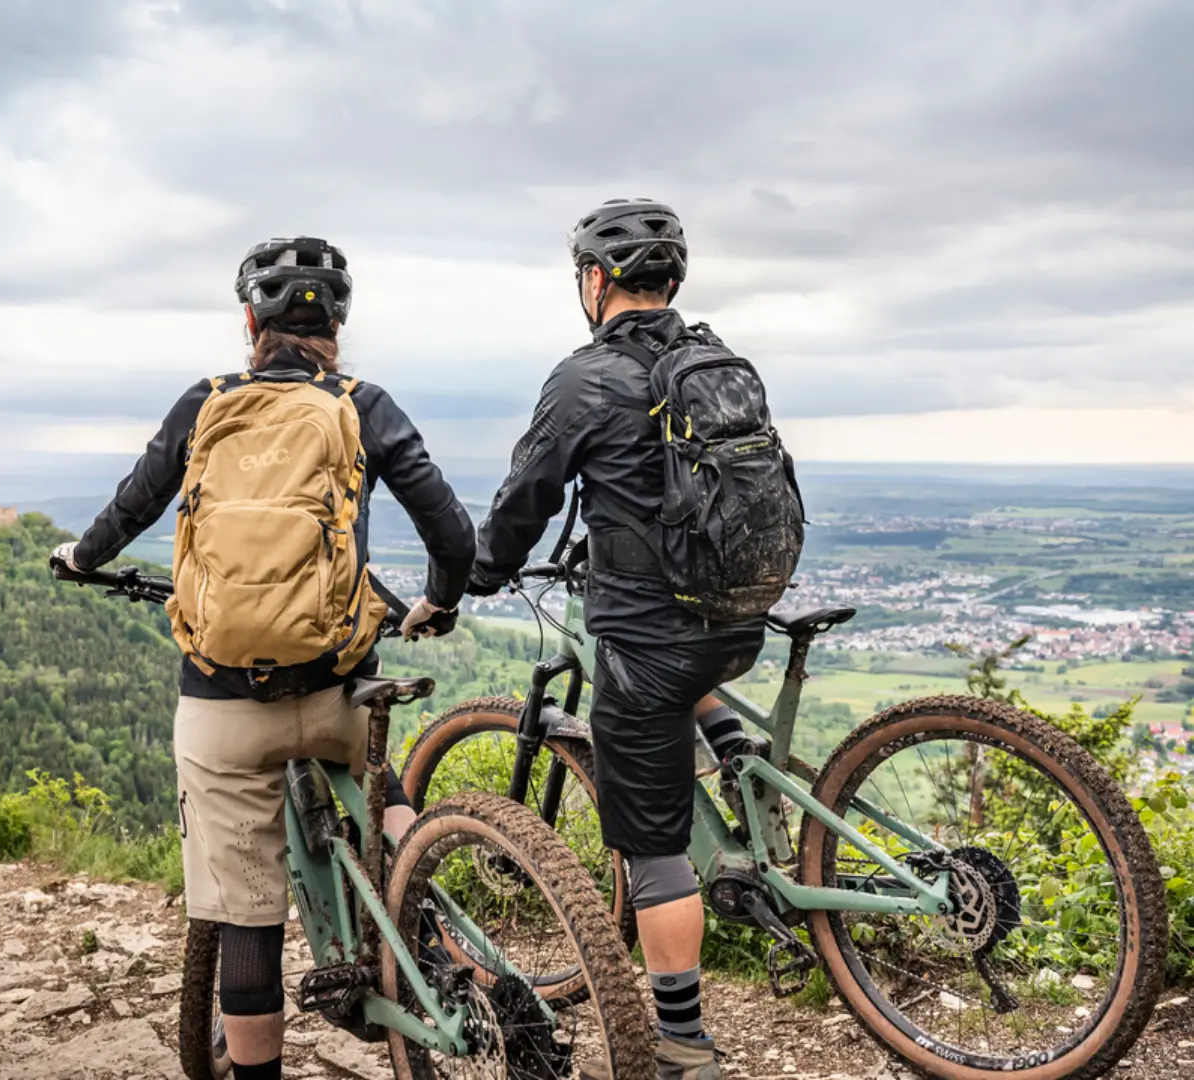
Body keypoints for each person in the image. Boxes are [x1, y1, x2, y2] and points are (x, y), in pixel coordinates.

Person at [53, 236, 475, 1080]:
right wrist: (438, 602)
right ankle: (438, 934)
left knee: (245, 915)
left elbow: (129, 508)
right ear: (339, 325)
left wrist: (81, 559)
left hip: (222, 706)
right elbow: (453, 535)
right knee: (386, 791)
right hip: (337, 689)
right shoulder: (363, 402)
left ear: (250, 321)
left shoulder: (205, 403)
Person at [467, 200, 768, 1080]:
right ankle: (734, 745)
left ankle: (683, 1048)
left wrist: (475, 578)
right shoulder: (716, 362)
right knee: (683, 663)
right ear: (671, 281)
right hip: (740, 618)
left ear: (596, 282)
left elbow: (526, 500)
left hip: (653, 643)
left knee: (653, 848)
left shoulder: (584, 379)